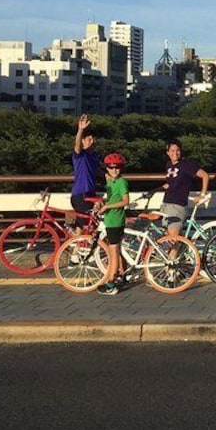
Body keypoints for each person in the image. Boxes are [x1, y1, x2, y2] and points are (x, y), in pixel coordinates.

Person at [156, 140, 210, 237]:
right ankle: (184, 248)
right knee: (171, 237)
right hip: (166, 204)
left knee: (172, 240)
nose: (175, 153)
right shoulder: (168, 165)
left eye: (177, 150)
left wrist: (202, 195)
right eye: (172, 151)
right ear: (167, 152)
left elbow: (205, 175)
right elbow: (172, 182)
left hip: (178, 205)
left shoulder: (187, 165)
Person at [95, 153, 130, 296]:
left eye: (117, 167)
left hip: (115, 220)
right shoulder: (110, 182)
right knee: (116, 250)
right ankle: (121, 275)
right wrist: (102, 205)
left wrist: (107, 207)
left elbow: (125, 201)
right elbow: (111, 198)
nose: (114, 170)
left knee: (113, 251)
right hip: (111, 219)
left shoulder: (121, 182)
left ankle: (111, 281)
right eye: (111, 167)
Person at [70, 114, 98, 233]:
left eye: (92, 139)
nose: (91, 141)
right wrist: (81, 129)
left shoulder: (94, 157)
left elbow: (99, 171)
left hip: (90, 192)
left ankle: (78, 245)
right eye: (88, 139)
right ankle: (77, 246)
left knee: (87, 222)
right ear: (82, 141)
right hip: (81, 193)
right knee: (83, 225)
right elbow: (77, 146)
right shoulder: (80, 155)